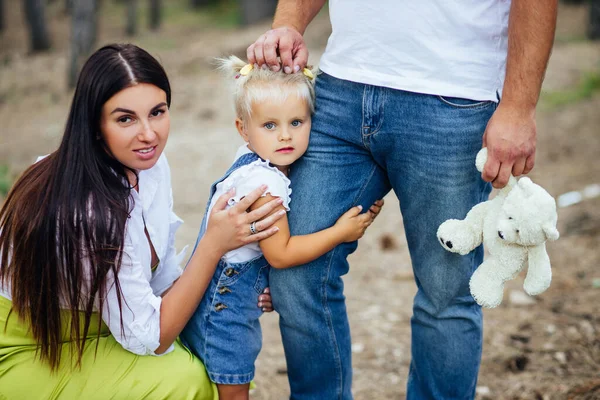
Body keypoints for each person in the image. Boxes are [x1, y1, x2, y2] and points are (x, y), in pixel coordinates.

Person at [247, 0, 558, 398]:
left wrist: (518, 106)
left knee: (446, 293)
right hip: (340, 88)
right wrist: (288, 24)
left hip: (454, 99)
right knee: (295, 274)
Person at [0, 44, 284, 400]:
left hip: (98, 324)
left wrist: (239, 290)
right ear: (95, 124)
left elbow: (162, 282)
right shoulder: (89, 206)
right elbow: (153, 336)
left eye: (157, 112)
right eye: (125, 119)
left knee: (214, 350)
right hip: (28, 344)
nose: (149, 134)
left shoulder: (147, 165)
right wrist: (213, 244)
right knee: (185, 379)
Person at [180, 56, 384, 400]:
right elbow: (281, 254)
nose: (285, 135)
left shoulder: (249, 161)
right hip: (225, 316)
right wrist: (341, 232)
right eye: (270, 126)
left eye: (296, 122)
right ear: (243, 129)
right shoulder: (265, 186)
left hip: (211, 301)